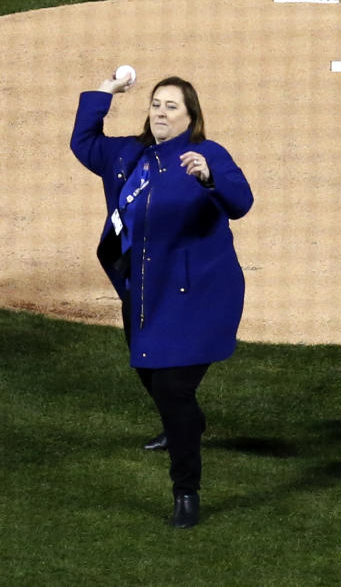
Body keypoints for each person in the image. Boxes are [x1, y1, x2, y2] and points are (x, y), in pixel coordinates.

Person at [70, 73, 253, 528]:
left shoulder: (206, 154)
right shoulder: (128, 154)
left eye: (172, 106)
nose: (160, 112)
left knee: (174, 388)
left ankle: (185, 493)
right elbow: (83, 141)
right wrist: (105, 92)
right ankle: (184, 424)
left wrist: (210, 180)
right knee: (148, 372)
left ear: (191, 117)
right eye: (156, 104)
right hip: (145, 292)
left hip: (198, 293)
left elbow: (242, 201)